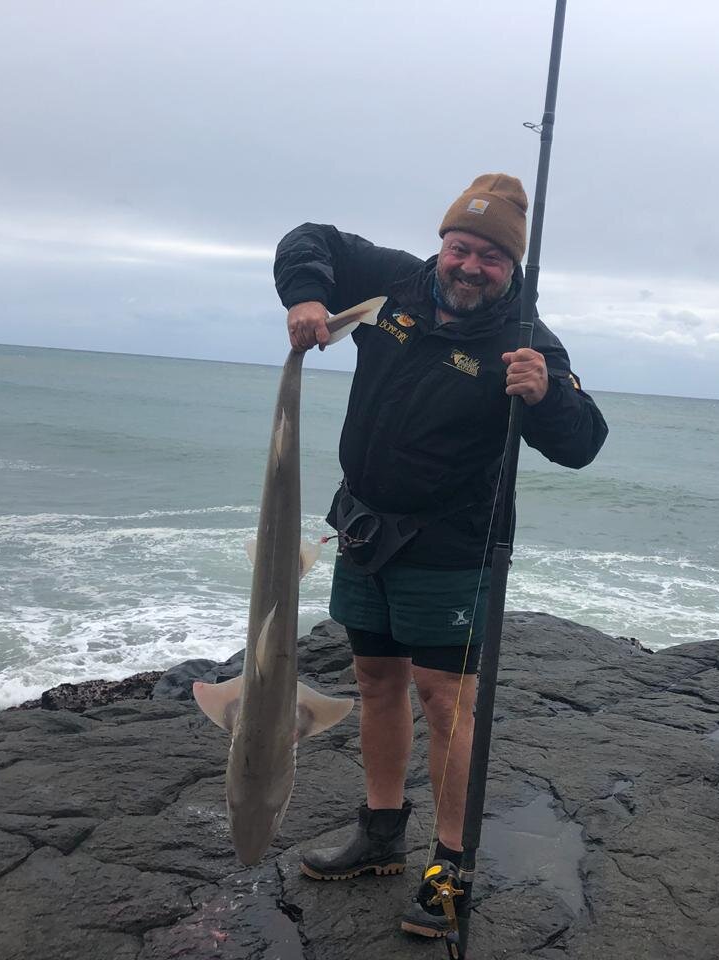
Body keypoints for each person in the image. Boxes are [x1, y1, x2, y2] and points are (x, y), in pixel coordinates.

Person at [274, 173, 608, 937]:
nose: (470, 266)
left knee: (447, 705)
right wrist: (305, 295)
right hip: (364, 530)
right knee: (373, 680)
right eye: (462, 247)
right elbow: (311, 239)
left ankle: (449, 868)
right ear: (442, 243)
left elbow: (583, 441)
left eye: (491, 257)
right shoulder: (394, 281)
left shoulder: (528, 340)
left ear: (512, 268)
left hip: (453, 548)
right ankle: (382, 834)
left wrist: (546, 394)